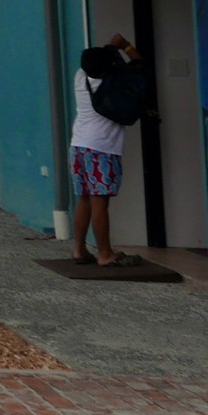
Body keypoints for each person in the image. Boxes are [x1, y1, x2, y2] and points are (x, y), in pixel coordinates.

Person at [70, 34, 148, 269]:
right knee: (99, 201)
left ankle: (79, 249)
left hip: (78, 144)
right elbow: (140, 66)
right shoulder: (114, 80)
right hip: (102, 147)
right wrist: (125, 46)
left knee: (84, 198)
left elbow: (99, 61)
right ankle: (105, 253)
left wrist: (109, 49)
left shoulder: (80, 76)